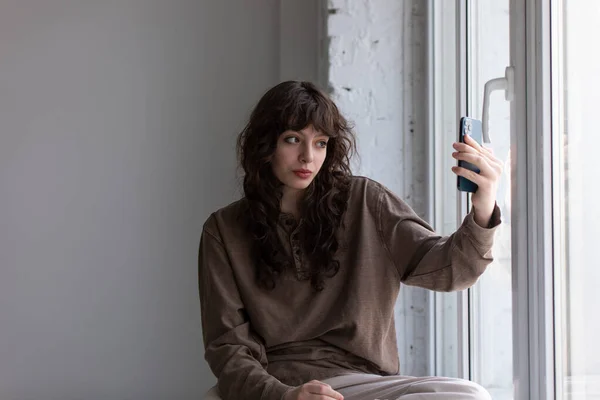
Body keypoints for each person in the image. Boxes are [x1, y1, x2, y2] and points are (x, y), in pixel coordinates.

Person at [198, 81, 502, 400]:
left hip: (361, 384)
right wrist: (283, 395)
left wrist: (484, 207)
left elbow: (452, 270)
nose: (307, 157)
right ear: (265, 145)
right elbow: (228, 348)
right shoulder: (223, 230)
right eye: (292, 139)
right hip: (279, 386)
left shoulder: (365, 201)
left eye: (320, 143)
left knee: (469, 395)